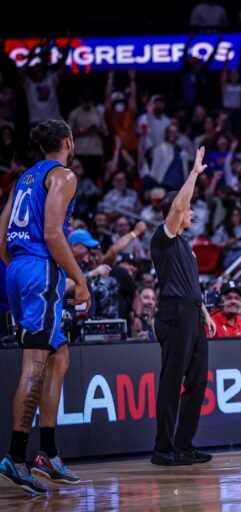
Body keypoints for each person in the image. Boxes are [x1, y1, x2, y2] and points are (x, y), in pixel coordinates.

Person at [0, 120, 91, 495]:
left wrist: (16, 268)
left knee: (60, 356)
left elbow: (2, 229)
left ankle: (48, 453)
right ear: (68, 141)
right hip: (40, 269)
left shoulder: (24, 178)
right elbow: (53, 233)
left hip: (17, 268)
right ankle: (15, 457)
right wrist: (80, 280)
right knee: (36, 364)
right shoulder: (64, 175)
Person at [149, 147, 216, 467]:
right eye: (190, 210)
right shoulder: (162, 238)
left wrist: (203, 313)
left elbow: (190, 284)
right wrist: (194, 173)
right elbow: (178, 206)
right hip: (174, 314)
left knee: (198, 381)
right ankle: (163, 448)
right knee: (172, 381)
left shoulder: (185, 245)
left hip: (191, 312)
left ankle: (184, 444)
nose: (192, 214)